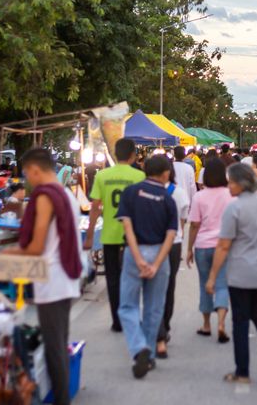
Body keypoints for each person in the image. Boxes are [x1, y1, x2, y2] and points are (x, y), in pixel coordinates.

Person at [2, 148, 82, 405]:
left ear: (35, 170)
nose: (27, 179)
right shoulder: (67, 194)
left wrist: (4, 258)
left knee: (54, 350)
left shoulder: (46, 196)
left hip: (54, 280)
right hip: (65, 278)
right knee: (58, 344)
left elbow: (35, 248)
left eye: (27, 173)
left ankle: (61, 400)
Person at [206, 163, 257, 385]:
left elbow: (223, 246)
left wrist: (212, 277)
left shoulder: (234, 208)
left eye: (231, 181)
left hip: (241, 274)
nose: (228, 186)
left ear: (241, 183)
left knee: (241, 321)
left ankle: (242, 372)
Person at [115, 156, 178, 379]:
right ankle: (149, 354)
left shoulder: (131, 193)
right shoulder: (168, 199)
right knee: (154, 307)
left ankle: (138, 347)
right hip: (160, 254)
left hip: (135, 253)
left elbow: (127, 227)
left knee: (127, 306)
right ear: (165, 174)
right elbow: (171, 236)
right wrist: (157, 262)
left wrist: (138, 258)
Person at [87, 138, 145, 332]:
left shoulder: (102, 176)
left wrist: (89, 235)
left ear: (115, 154)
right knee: (132, 278)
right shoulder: (139, 176)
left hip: (109, 235)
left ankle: (117, 320)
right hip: (133, 237)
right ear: (132, 155)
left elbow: (95, 207)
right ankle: (132, 316)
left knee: (113, 278)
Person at [186, 158, 233, 343]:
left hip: (203, 246)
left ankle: (206, 325)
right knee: (222, 283)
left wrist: (189, 248)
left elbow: (194, 225)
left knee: (204, 283)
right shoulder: (231, 195)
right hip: (225, 246)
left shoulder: (199, 197)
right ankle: (221, 323)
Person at [156, 165, 189, 359]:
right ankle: (165, 325)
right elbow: (183, 219)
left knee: (153, 288)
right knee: (169, 285)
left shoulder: (143, 190)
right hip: (174, 242)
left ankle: (158, 328)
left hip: (152, 243)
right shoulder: (179, 193)